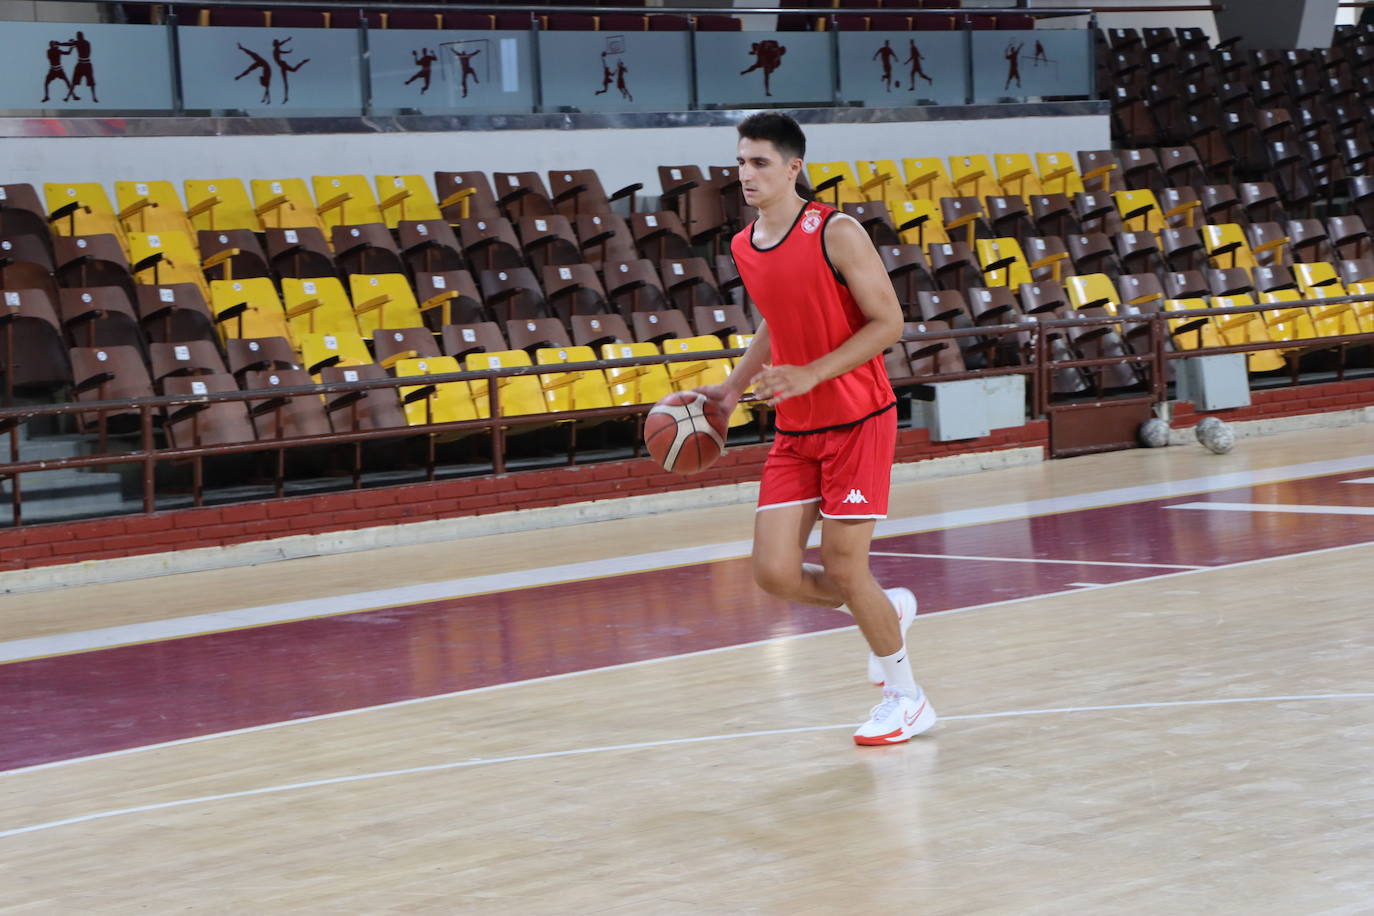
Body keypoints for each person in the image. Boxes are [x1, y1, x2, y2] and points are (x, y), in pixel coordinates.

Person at [696, 113, 936, 745]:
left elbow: (888, 323)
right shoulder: (744, 245)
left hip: (860, 419)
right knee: (773, 572)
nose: (746, 173)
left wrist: (810, 374)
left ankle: (907, 697)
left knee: (844, 565)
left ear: (793, 167)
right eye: (741, 161)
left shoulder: (836, 230)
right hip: (797, 430)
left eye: (760, 163)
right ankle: (889, 611)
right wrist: (731, 386)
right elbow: (776, 321)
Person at [42, 40, 73, 104]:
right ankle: (46, 96)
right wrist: (71, 46)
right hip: (55, 70)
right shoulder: (53, 51)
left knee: (67, 82)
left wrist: (70, 47)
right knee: (46, 83)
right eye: (53, 44)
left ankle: (73, 95)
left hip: (57, 69)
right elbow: (68, 53)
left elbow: (68, 53)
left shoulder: (51, 51)